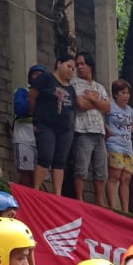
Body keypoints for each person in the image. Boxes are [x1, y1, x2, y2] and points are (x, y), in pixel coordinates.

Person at [30, 56, 77, 195]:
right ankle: (36, 190)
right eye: (69, 66)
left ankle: (57, 193)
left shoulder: (72, 89)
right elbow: (32, 97)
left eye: (73, 69)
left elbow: (73, 110)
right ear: (59, 63)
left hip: (65, 129)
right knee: (45, 156)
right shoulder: (46, 79)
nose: (71, 70)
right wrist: (37, 117)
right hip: (46, 125)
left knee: (60, 161)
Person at [70, 53, 110, 203]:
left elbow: (107, 107)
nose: (79, 67)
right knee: (81, 168)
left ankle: (100, 202)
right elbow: (81, 104)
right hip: (82, 131)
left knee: (101, 171)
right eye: (77, 64)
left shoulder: (99, 86)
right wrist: (97, 101)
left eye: (82, 64)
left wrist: (92, 99)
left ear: (90, 65)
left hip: (99, 132)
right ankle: (80, 199)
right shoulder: (74, 83)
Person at [104, 79, 133, 213]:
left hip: (128, 147)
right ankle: (112, 207)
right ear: (116, 94)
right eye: (123, 93)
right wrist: (107, 130)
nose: (126, 96)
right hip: (114, 145)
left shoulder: (130, 110)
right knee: (115, 176)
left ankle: (125, 210)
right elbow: (101, 119)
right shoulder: (110, 106)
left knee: (126, 178)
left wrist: (130, 130)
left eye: (128, 93)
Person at [12, 65, 44, 186]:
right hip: (24, 135)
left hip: (41, 137)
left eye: (41, 75)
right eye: (35, 74)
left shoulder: (47, 96)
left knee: (39, 172)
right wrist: (34, 99)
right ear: (30, 77)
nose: (38, 77)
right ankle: (25, 199)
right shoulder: (22, 91)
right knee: (26, 171)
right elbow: (20, 109)